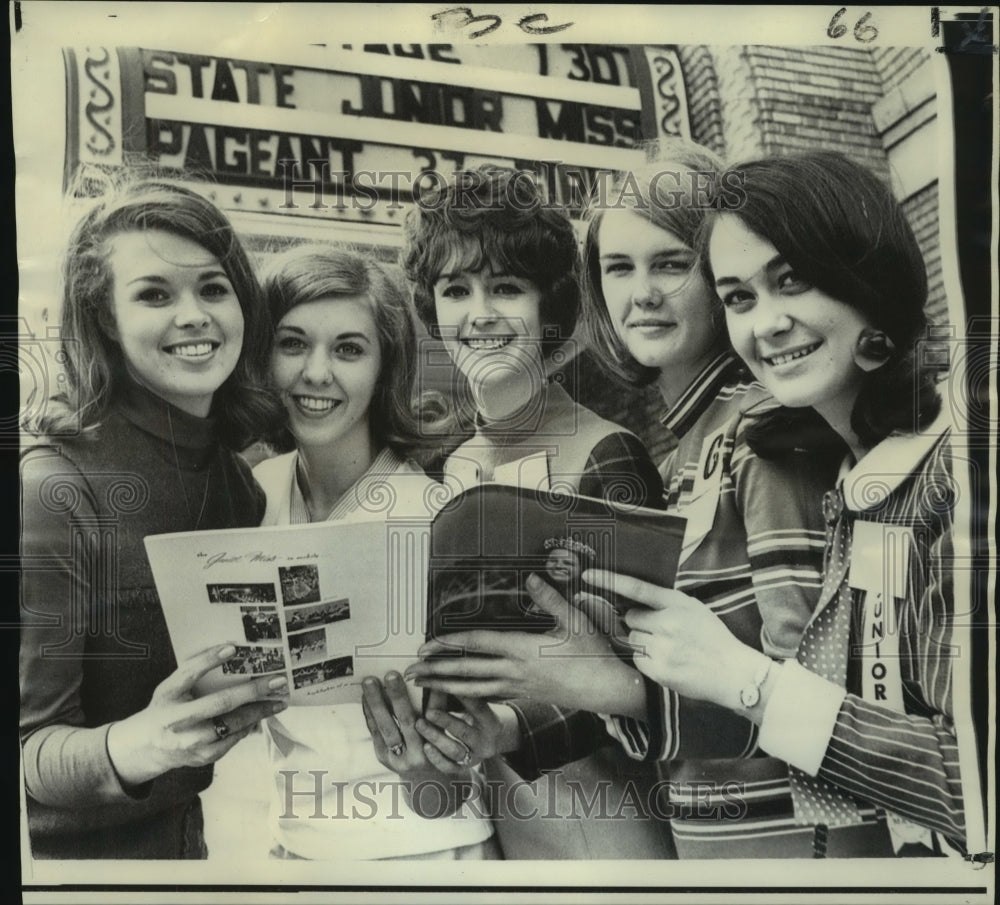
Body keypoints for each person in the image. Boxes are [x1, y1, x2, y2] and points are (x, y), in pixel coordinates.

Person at [406, 143, 842, 858]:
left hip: (751, 844)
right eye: (619, 267)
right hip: (665, 830)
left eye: (671, 263)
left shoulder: (765, 433)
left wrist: (604, 690)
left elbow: (808, 697)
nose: (642, 293)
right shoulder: (686, 452)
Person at [585, 150, 970, 857]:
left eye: (792, 281)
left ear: (867, 274)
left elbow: (973, 784)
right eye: (740, 297)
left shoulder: (956, 471)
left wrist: (743, 679)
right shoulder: (857, 479)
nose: (768, 323)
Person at [391, 164, 672, 860]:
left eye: (505, 288)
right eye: (456, 290)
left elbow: (650, 674)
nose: (479, 312)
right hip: (500, 824)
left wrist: (515, 726)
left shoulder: (607, 452)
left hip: (608, 821)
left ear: (549, 308)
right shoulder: (449, 469)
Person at [19, 177, 288, 859]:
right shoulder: (52, 486)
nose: (194, 314)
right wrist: (143, 743)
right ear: (105, 317)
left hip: (183, 848)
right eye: (154, 294)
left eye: (212, 288)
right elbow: (28, 747)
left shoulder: (239, 484)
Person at [245, 245, 499, 860]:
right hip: (297, 856)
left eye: (349, 349)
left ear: (386, 367)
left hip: (429, 859)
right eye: (292, 343)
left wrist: (427, 775)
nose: (317, 372)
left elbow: (466, 764)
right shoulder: (250, 497)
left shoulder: (439, 517)